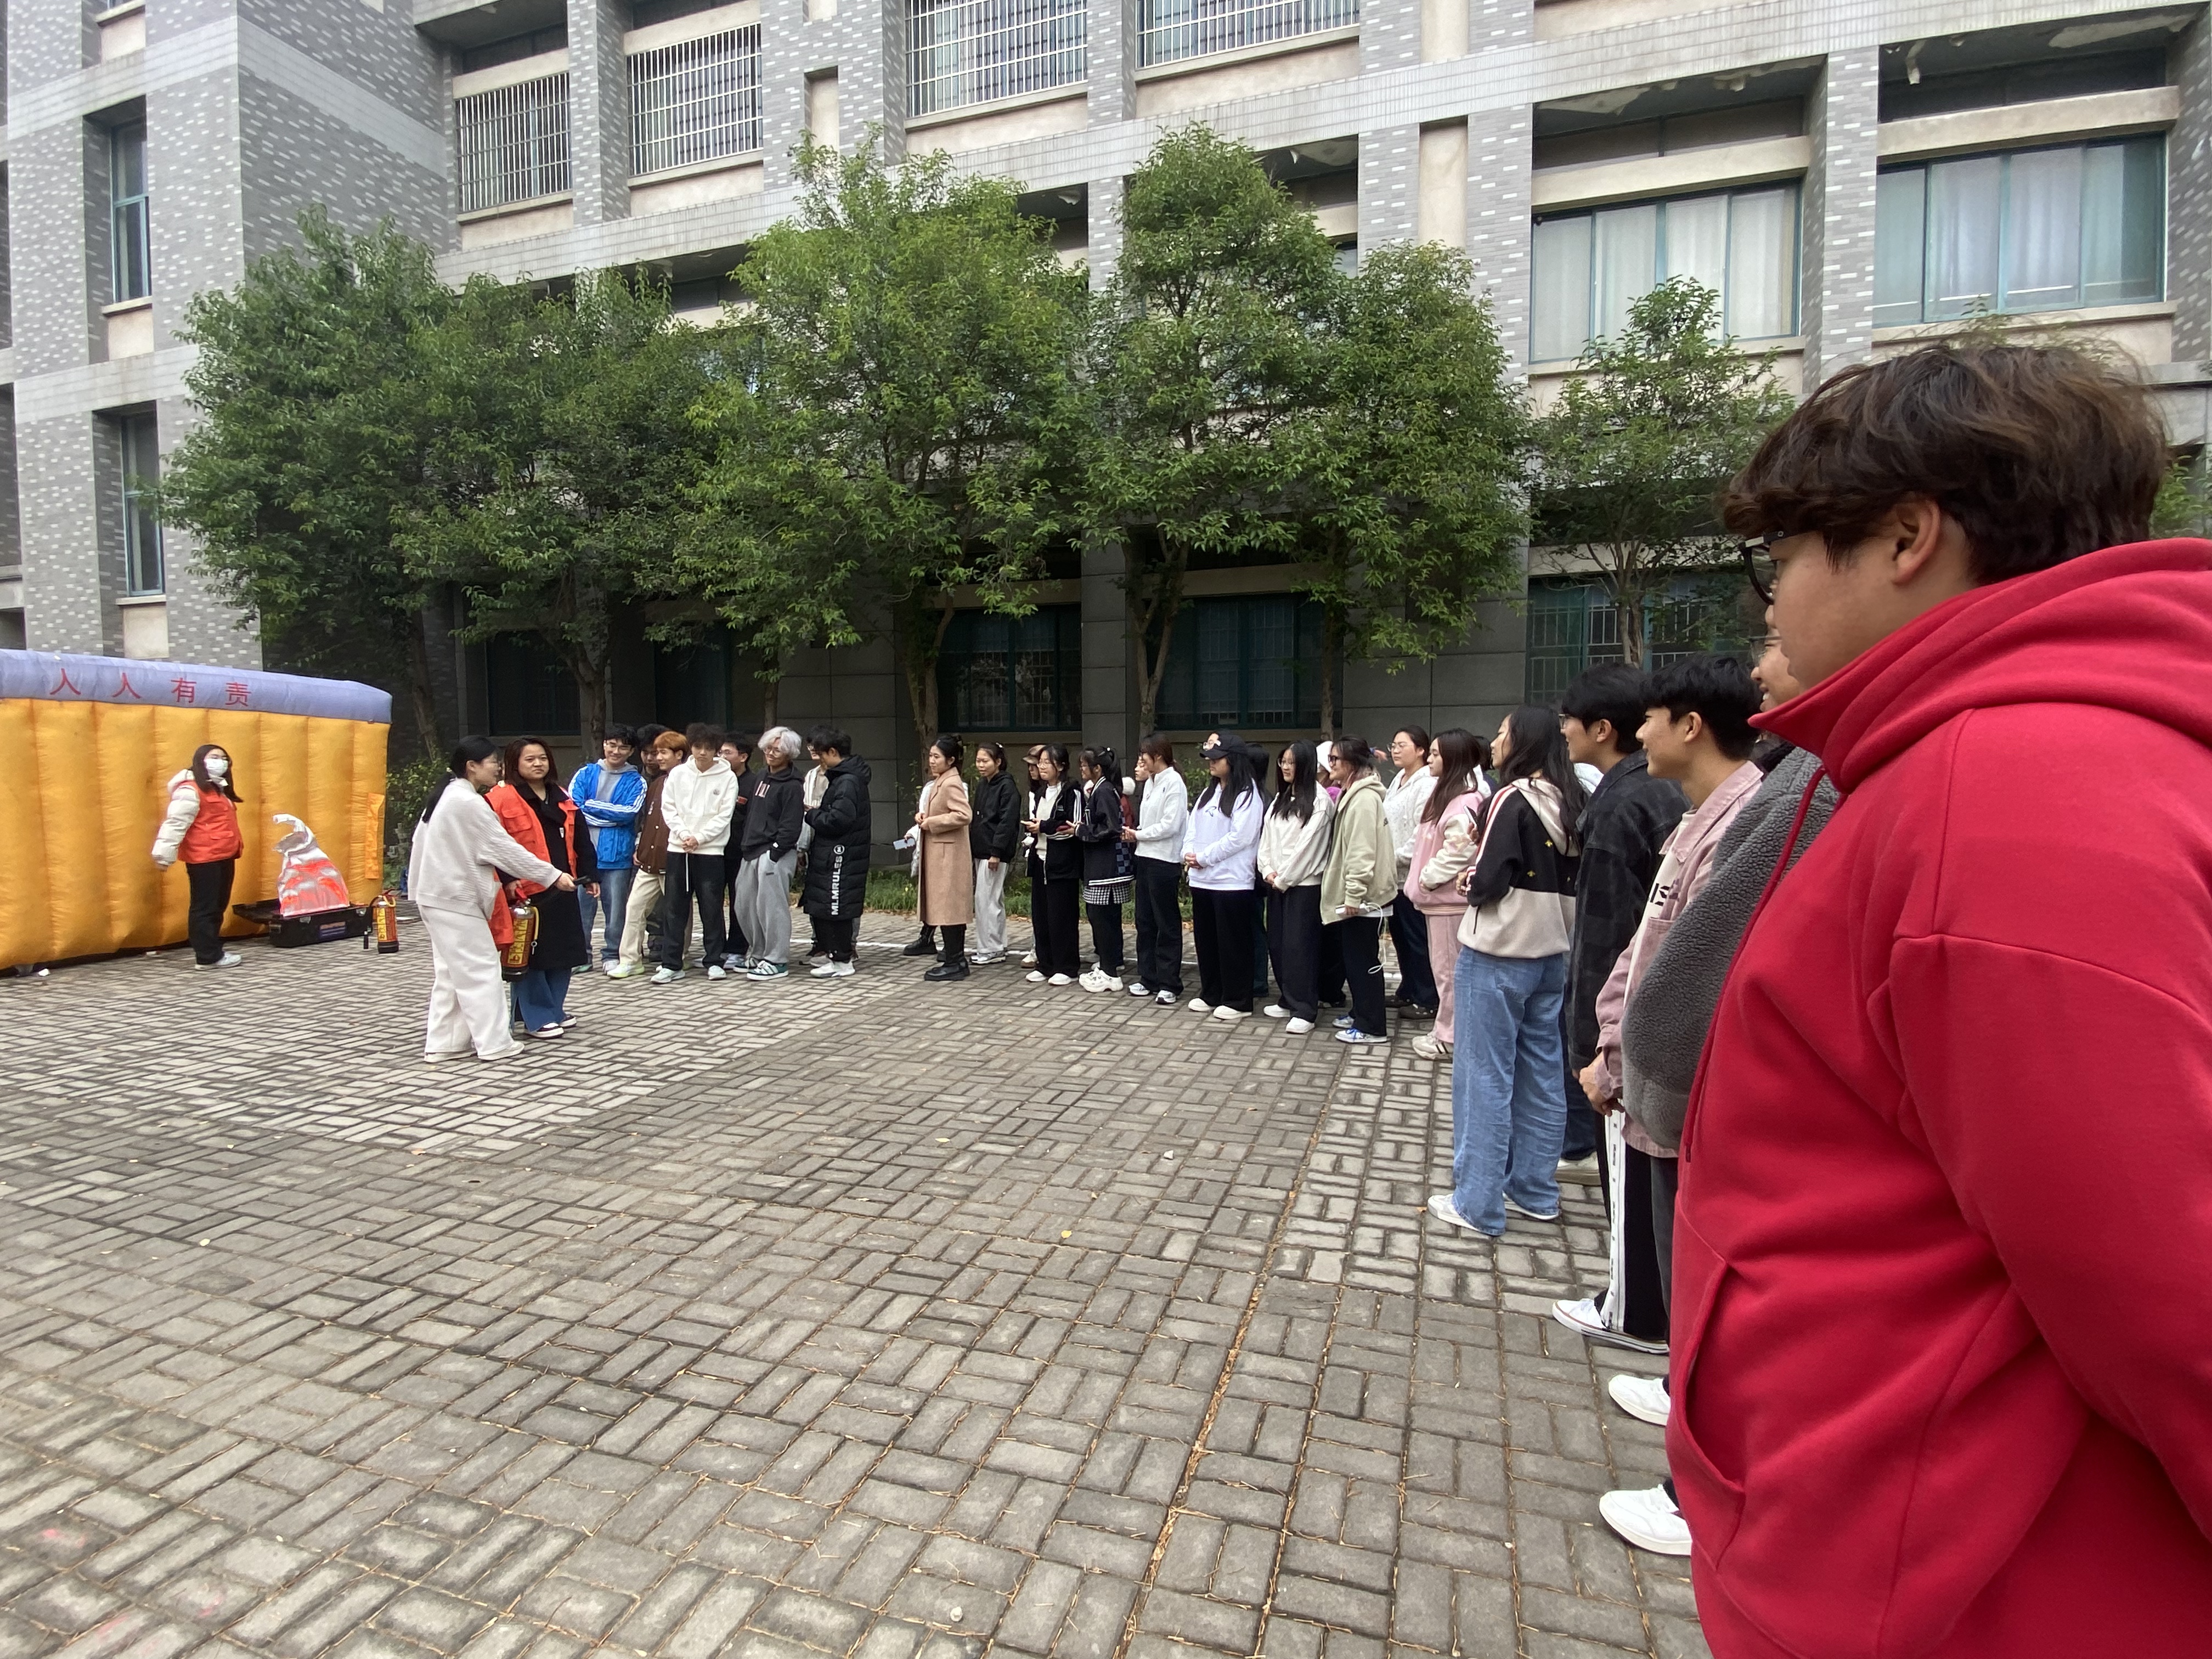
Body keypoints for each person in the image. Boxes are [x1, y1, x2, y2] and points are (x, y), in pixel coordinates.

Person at [1664, 343, 2212, 1655]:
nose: (1777, 604)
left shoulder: (2013, 793)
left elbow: (2167, 1297)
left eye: (1788, 556)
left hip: (1959, 1584)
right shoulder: (1991, 756)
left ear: (1909, 538)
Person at [1587, 621, 1838, 1560]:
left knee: (1713, 1290)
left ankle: (1698, 1491)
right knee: (1686, 1283)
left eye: (1776, 641)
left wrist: (1622, 1055)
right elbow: (1650, 942)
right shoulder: (1727, 804)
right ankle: (1681, 1396)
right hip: (1658, 1082)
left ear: (1688, 724)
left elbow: (1701, 973)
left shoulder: (1775, 802)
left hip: (1695, 1094)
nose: (1766, 666)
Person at [1550, 655, 1763, 1383]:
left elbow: (1661, 957)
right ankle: (1647, 1318)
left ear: (1691, 725)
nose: (1643, 735)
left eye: (1651, 720)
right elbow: (1641, 941)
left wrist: (1604, 1049)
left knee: (1665, 1218)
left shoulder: (1733, 824)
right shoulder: (1692, 811)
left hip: (1661, 1066)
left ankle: (1666, 1351)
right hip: (1638, 1049)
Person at [1429, 707, 1585, 1237]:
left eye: (1502, 733)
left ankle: (1477, 1203)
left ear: (1524, 744)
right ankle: (1535, 1192)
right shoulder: (1571, 799)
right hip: (1552, 953)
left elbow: (1488, 879)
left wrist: (1470, 879)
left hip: (1498, 952)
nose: (1495, 742)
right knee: (1542, 1073)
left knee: (1483, 1076)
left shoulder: (1512, 798)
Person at [1558, 665, 1688, 1193]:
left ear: (1602, 729)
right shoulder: (1664, 789)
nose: (1563, 730)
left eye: (1569, 719)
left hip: (1623, 1032)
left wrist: (1591, 1051)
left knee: (1629, 1191)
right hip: (1659, 1020)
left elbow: (1603, 940)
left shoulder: (1618, 807)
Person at [408, 737, 572, 1063]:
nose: (498, 767)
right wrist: (552, 875)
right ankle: (494, 1043)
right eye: (492, 762)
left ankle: (446, 1044)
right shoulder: (467, 803)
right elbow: (503, 849)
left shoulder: (446, 797)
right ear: (472, 767)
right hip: (456, 897)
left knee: (452, 974)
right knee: (480, 970)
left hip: (436, 895)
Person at [487, 736, 599, 1039]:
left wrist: (590, 875)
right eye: (530, 759)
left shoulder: (561, 795)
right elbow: (493, 846)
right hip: (526, 890)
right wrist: (508, 881)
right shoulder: (500, 799)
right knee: (531, 954)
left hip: (564, 884)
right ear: (515, 764)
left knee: (564, 951)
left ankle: (554, 1009)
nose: (538, 764)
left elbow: (580, 837)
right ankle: (536, 1017)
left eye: (543, 758)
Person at [1404, 730, 1490, 1062]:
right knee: (1444, 970)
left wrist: (1428, 879)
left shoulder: (1464, 801)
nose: (1429, 759)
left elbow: (1461, 849)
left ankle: (1450, 1038)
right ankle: (1447, 1030)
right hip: (1439, 903)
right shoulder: (1448, 795)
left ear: (1453, 759)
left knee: (1450, 972)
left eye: (1436, 754)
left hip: (1449, 903)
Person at [1318, 735, 1395, 1045]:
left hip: (1365, 899)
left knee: (1363, 961)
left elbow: (1362, 852)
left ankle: (1372, 1026)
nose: (1330, 765)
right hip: (1361, 897)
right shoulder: (1354, 794)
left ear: (1351, 763)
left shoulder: (1363, 800)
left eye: (1335, 759)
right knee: (1354, 959)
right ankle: (1361, 1012)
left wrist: (1354, 894)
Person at [1181, 736, 1264, 1020]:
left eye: (1218, 757)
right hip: (1203, 880)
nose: (1211, 762)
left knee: (1233, 944)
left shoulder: (1247, 794)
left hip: (1231, 882)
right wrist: (1188, 853)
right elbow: (1193, 827)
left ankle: (1239, 1000)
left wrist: (1204, 857)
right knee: (1207, 942)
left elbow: (1241, 838)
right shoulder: (1210, 792)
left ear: (1234, 759)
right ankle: (1212, 992)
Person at [1257, 742, 1333, 1035]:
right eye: (1283, 762)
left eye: (1292, 762)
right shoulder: (1281, 797)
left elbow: (1308, 848)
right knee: (1278, 943)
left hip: (1303, 886)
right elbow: (1266, 839)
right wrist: (1267, 869)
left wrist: (1283, 878)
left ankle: (1305, 1008)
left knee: (1300, 946)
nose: (1286, 767)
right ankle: (1288, 998)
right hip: (1276, 882)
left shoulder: (1320, 801)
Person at [653, 723, 738, 984]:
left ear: (716, 751)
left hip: (710, 851)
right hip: (678, 849)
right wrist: (683, 835)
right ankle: (671, 964)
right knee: (674, 908)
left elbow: (724, 815)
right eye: (698, 747)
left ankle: (714, 961)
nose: (702, 753)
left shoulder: (727, 777)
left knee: (712, 908)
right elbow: (668, 808)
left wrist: (700, 838)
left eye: (709, 748)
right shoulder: (678, 774)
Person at [151, 742, 246, 969]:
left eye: (224, 758)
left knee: (217, 905)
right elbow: (176, 823)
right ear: (200, 761)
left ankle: (212, 950)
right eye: (214, 757)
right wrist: (163, 855)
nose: (220, 762)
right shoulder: (190, 790)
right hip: (204, 857)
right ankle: (207, 956)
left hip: (223, 854)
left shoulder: (217, 788)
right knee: (205, 907)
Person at [728, 726, 806, 981]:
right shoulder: (762, 776)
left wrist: (776, 852)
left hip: (774, 853)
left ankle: (777, 959)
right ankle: (759, 952)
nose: (771, 754)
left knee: (772, 908)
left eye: (777, 750)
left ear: (789, 753)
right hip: (750, 850)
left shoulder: (793, 785)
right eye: (768, 748)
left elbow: (791, 825)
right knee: (745, 906)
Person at [610, 730, 686, 979]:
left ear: (679, 754)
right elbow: (648, 821)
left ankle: (678, 957)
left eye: (663, 753)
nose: (657, 758)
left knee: (677, 912)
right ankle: (630, 959)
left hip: (674, 858)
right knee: (634, 909)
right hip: (648, 860)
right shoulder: (657, 783)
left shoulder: (690, 782)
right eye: (655, 753)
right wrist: (641, 847)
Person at [569, 726, 644, 969]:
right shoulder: (585, 773)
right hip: (584, 854)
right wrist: (607, 815)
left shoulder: (636, 781)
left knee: (616, 912)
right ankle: (581, 956)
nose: (616, 751)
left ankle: (612, 954)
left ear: (631, 752)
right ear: (604, 745)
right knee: (581, 909)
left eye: (623, 747)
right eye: (612, 745)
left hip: (617, 854)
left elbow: (629, 812)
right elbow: (574, 808)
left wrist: (591, 806)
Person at [799, 726, 871, 978]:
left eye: (821, 754)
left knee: (836, 906)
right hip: (834, 853)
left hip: (841, 854)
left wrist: (812, 814)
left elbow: (839, 820)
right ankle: (834, 955)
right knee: (826, 905)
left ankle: (842, 959)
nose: (819, 759)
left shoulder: (848, 781)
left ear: (832, 752)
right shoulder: (844, 778)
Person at [1122, 735, 1188, 1005]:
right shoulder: (1150, 782)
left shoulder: (1174, 783)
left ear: (1158, 756)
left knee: (1166, 923)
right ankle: (1148, 977)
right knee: (1145, 920)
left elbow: (1170, 825)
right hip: (1145, 857)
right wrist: (1137, 834)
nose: (1141, 761)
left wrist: (1139, 835)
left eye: (1144, 756)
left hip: (1164, 861)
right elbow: (1150, 822)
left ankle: (1169, 983)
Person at [1382, 725, 1439, 1018]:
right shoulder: (1398, 780)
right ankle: (1408, 989)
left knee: (1417, 939)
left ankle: (1427, 998)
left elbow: (1421, 832)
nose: (1395, 750)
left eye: (1402, 745)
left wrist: (1395, 859)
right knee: (1401, 938)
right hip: (1393, 876)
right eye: (1393, 745)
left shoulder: (1426, 784)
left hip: (1411, 873)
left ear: (1420, 750)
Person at [915, 734, 975, 981]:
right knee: (946, 907)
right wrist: (924, 817)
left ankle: (955, 961)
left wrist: (931, 822)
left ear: (950, 760)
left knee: (950, 908)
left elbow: (964, 815)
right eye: (931, 756)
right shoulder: (942, 780)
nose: (932, 761)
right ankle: (955, 959)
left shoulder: (951, 782)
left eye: (937, 757)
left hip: (949, 855)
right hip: (942, 853)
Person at [1021, 744, 1082, 985]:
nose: (1042, 766)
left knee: (1062, 917)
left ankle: (1066, 967)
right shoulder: (1040, 793)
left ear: (1061, 766)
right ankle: (1045, 964)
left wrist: (1044, 827)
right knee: (1041, 915)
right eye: (1041, 762)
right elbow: (1039, 822)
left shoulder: (1072, 792)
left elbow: (1071, 826)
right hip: (1040, 860)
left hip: (1063, 863)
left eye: (1047, 762)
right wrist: (1035, 828)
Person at [1075, 747, 1132, 993]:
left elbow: (1111, 828)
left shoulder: (1105, 790)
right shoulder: (1102, 789)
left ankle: (1110, 972)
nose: (1081, 769)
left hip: (1106, 868)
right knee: (1102, 917)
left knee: (1103, 918)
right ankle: (1109, 966)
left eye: (1084, 765)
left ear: (1097, 768)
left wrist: (1081, 831)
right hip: (1103, 866)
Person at [968, 741, 1020, 965]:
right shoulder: (984, 784)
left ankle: (992, 948)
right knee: (987, 898)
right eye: (978, 761)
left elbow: (1007, 822)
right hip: (981, 850)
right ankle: (995, 945)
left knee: (987, 899)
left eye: (985, 761)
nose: (981, 765)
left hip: (994, 853)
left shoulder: (1007, 787)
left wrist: (996, 852)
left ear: (998, 762)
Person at [719, 733, 758, 967]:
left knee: (738, 902)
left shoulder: (753, 783)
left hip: (739, 852)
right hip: (714, 850)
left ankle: (737, 948)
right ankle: (715, 948)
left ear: (743, 757)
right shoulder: (716, 779)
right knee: (712, 901)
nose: (722, 757)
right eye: (720, 752)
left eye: (728, 752)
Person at [797, 745, 832, 961]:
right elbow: (805, 813)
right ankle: (818, 941)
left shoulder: (842, 777)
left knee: (836, 895)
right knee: (814, 894)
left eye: (817, 745)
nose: (812, 749)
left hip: (833, 839)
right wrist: (801, 847)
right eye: (810, 745)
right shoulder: (811, 775)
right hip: (811, 839)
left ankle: (847, 944)